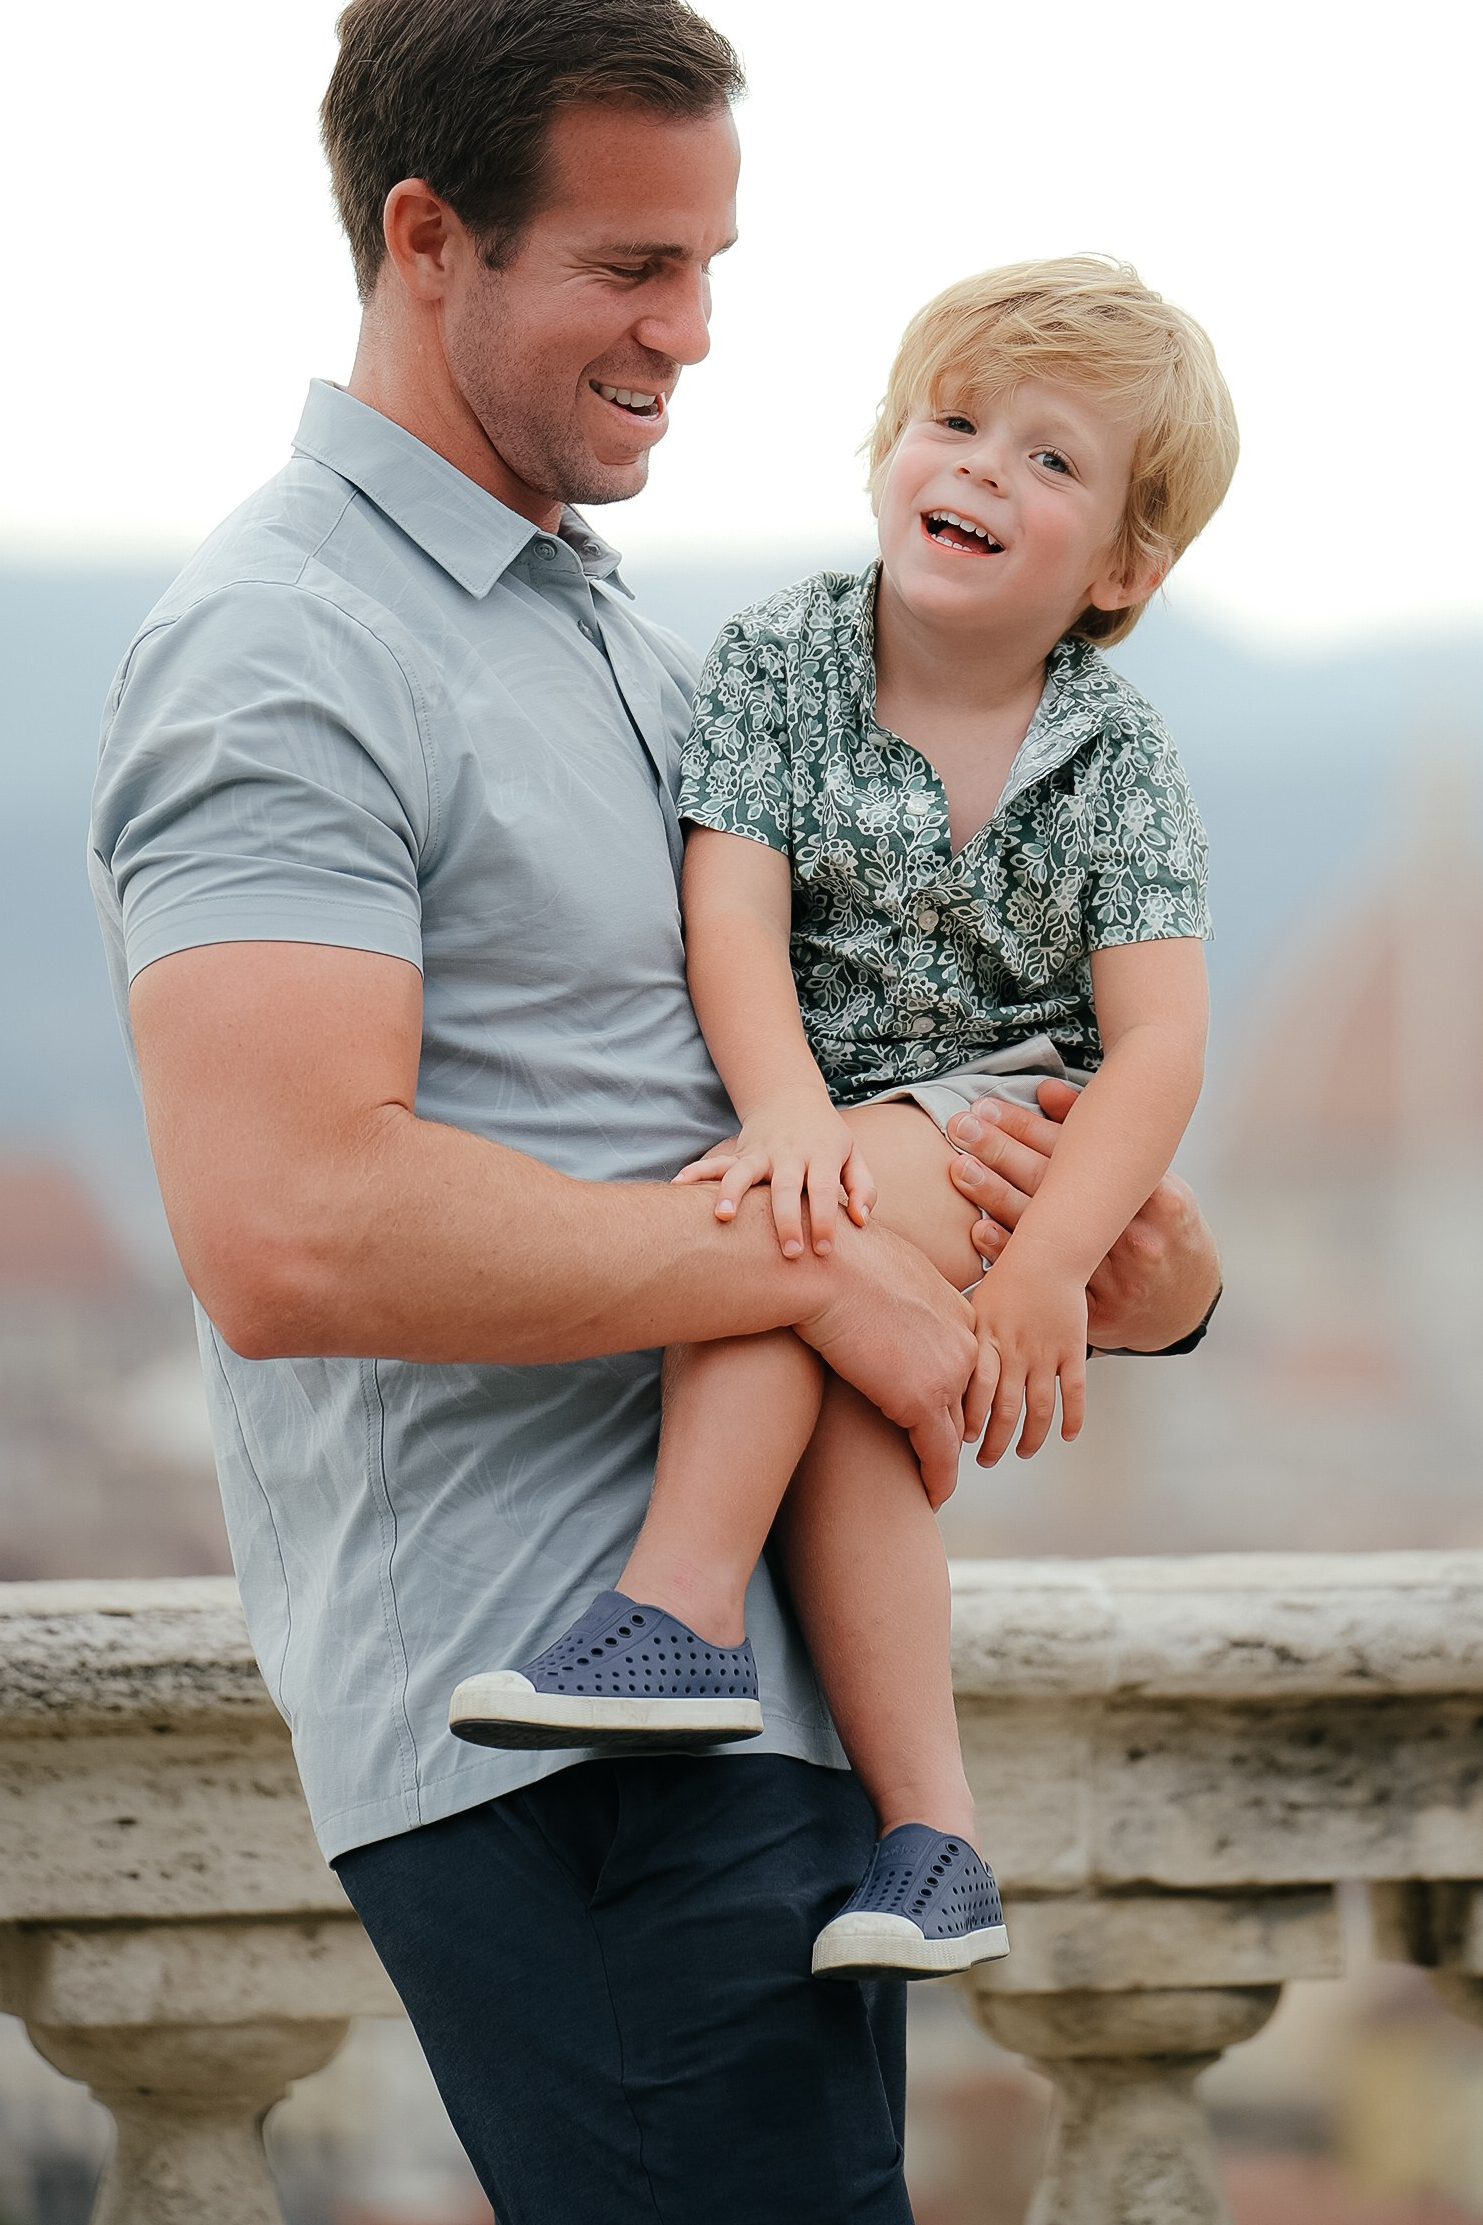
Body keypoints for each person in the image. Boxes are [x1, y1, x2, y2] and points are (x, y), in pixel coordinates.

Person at [87, 0, 1223, 2225]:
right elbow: (290, 1228)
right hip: (546, 1706)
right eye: (629, 264)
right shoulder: (286, 643)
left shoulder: (605, 623)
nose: (691, 334)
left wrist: (1090, 1250)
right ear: (426, 238)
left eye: (708, 265)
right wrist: (819, 1280)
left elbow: (770, 1084)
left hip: (749, 1699)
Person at [448, 260, 1237, 1984]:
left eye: (1048, 461)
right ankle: (935, 1836)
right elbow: (728, 913)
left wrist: (1045, 1266)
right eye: (952, 424)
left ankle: (676, 1610)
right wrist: (791, 1109)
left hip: (998, 1126)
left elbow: (1158, 1045)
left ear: (1120, 569)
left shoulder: (1117, 755)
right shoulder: (784, 659)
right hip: (842, 1108)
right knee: (848, 1431)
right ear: (886, 446)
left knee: (764, 1243)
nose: (976, 471)